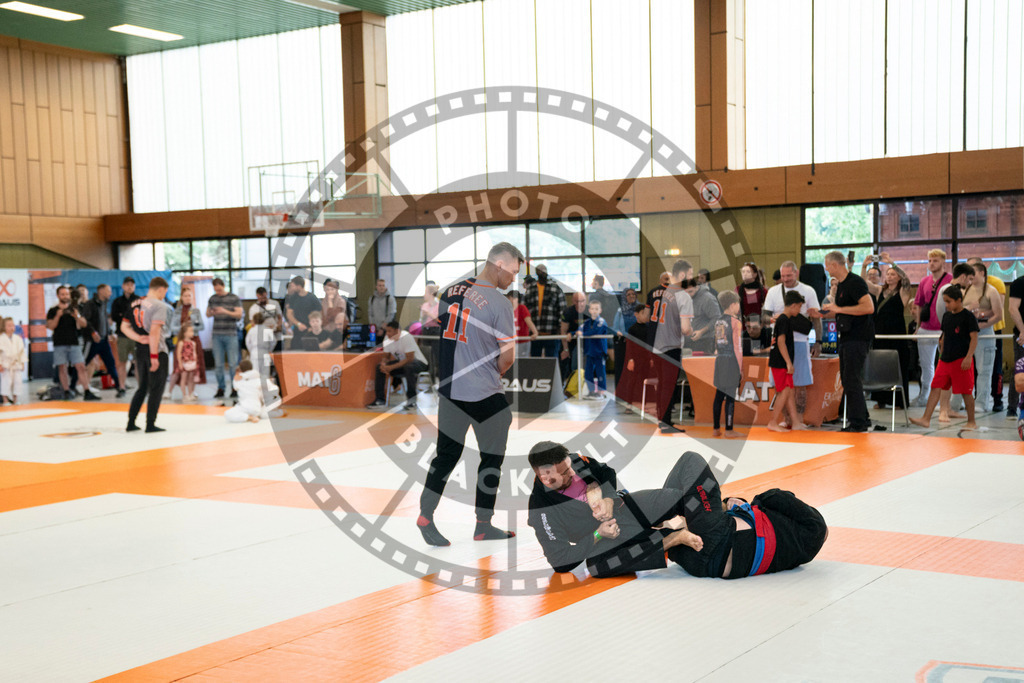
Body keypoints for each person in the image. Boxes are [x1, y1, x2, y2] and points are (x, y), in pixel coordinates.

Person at [527, 443, 828, 580]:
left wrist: (605, 498)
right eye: (554, 477)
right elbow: (560, 562)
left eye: (567, 470)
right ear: (540, 476)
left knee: (688, 464)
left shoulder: (576, 462)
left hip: (634, 509)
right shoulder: (541, 509)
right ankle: (677, 533)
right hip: (617, 537)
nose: (566, 478)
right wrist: (596, 532)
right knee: (597, 566)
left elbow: (606, 474)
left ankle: (688, 522)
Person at [418, 242, 523, 547]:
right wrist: (494, 373)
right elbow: (507, 357)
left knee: (446, 456)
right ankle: (482, 524)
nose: (513, 279)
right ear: (500, 265)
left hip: (451, 391)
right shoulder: (500, 303)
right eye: (513, 272)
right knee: (491, 458)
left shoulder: (448, 292)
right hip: (482, 391)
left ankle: (425, 515)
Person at [821, 251, 875, 432]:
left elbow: (868, 307)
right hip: (846, 336)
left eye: (827, 265)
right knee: (848, 379)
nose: (826, 268)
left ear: (835, 265)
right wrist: (822, 313)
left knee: (852, 379)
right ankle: (863, 418)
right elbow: (842, 310)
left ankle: (857, 422)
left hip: (858, 337)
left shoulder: (855, 282)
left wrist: (839, 308)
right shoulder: (842, 285)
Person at [911, 285, 979, 430]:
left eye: (948, 302)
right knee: (935, 387)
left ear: (958, 300)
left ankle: (971, 421)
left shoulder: (968, 317)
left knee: (966, 391)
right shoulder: (947, 316)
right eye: (944, 302)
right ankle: (926, 418)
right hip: (945, 359)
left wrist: (968, 357)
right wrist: (941, 349)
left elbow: (974, 338)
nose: (946, 305)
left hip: (961, 360)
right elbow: (945, 335)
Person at [763, 262, 823, 411]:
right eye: (783, 276)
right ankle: (786, 419)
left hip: (800, 341)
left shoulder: (808, 291)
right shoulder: (773, 291)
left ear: (796, 273)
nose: (785, 279)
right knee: (781, 385)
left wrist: (818, 341)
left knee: (800, 383)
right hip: (778, 341)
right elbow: (764, 317)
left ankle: (799, 418)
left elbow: (816, 318)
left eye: (789, 275)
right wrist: (773, 319)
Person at [122, 277, 172, 433]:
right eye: (165, 292)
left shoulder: (134, 303)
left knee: (142, 387)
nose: (164, 295)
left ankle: (131, 422)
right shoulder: (159, 306)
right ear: (161, 289)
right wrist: (154, 356)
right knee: (157, 388)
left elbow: (124, 327)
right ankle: (150, 423)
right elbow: (155, 332)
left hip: (140, 349)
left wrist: (138, 338)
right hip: (155, 349)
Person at [652, 260, 694, 433]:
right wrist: (692, 331)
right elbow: (685, 328)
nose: (692, 279)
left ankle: (663, 420)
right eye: (691, 275)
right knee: (668, 386)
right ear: (683, 275)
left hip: (659, 345)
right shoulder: (683, 296)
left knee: (662, 385)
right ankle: (666, 422)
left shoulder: (666, 292)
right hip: (671, 346)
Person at [868, 254, 913, 409]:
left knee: (897, 367)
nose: (889, 276)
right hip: (880, 335)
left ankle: (899, 401)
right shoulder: (880, 290)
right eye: (887, 273)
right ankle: (881, 400)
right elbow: (863, 283)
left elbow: (907, 280)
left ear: (898, 277)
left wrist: (892, 263)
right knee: (880, 367)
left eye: (893, 274)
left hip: (896, 335)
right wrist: (863, 266)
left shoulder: (903, 292)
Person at [932, 264, 975, 422]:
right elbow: (948, 312)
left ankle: (947, 408)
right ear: (963, 276)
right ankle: (943, 409)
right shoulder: (949, 290)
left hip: (953, 336)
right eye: (969, 279)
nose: (970, 283)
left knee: (950, 378)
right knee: (944, 377)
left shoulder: (950, 289)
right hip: (948, 336)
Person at [966, 257, 1007, 412]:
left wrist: (982, 320)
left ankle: (984, 401)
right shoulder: (965, 289)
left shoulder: (992, 289)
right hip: (968, 333)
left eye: (972, 271)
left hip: (985, 331)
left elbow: (998, 314)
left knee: (985, 369)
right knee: (966, 368)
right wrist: (970, 309)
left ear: (981, 272)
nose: (969, 275)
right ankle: (959, 401)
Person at [912, 249, 952, 407]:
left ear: (943, 262)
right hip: (926, 328)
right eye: (929, 260)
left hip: (944, 328)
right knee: (926, 365)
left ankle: (948, 400)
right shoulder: (924, 281)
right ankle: (925, 396)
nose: (931, 263)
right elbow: (919, 305)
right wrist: (917, 327)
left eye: (935, 260)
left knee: (948, 364)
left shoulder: (950, 280)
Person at [767, 291, 811, 433]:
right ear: (793, 305)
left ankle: (796, 422)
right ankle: (772, 422)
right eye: (799, 307)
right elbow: (781, 342)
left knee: (790, 392)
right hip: (780, 362)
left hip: (782, 361)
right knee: (784, 392)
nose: (799, 311)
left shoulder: (784, 319)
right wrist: (788, 363)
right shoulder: (784, 320)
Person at [46, 285, 100, 401]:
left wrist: (77, 316)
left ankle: (86, 390)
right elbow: (50, 326)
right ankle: (66, 391)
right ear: (58, 296)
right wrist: (58, 316)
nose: (65, 296)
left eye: (67, 294)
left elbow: (84, 324)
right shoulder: (53, 310)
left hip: (74, 342)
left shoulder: (75, 309)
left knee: (80, 366)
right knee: (62, 367)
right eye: (62, 294)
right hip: (59, 342)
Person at [370, 320, 430, 410]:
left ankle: (412, 401)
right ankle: (380, 400)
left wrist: (391, 367)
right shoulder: (387, 338)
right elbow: (386, 356)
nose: (387, 333)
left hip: (419, 363)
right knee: (379, 367)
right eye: (387, 331)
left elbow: (410, 359)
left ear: (397, 331)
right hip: (403, 364)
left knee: (408, 367)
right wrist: (384, 364)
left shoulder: (406, 337)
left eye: (389, 331)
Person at [712, 291, 743, 437]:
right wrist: (740, 367)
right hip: (731, 361)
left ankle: (716, 428)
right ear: (732, 305)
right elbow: (738, 347)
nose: (739, 307)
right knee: (730, 396)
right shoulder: (735, 322)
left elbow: (716, 344)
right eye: (738, 304)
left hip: (720, 360)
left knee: (719, 395)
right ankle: (729, 429)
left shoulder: (718, 321)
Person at [80, 283, 120, 395]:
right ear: (101, 291)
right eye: (108, 291)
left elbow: (104, 321)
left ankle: (119, 386)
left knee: (110, 363)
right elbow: (86, 321)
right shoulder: (90, 304)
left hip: (103, 340)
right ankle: (75, 385)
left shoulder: (103, 303)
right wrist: (93, 332)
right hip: (92, 340)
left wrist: (110, 332)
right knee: (83, 363)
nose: (110, 293)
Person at [207, 278, 243, 399]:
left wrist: (225, 311)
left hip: (231, 334)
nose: (218, 291)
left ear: (223, 286)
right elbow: (207, 314)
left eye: (219, 289)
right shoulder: (213, 298)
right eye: (215, 290)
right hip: (217, 334)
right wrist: (212, 312)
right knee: (218, 364)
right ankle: (221, 388)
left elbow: (239, 314)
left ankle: (235, 388)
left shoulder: (234, 298)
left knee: (233, 363)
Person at [167, 287, 205, 400]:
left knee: (193, 368)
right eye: (185, 296)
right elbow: (172, 327)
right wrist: (183, 328)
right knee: (178, 367)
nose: (187, 298)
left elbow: (202, 326)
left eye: (189, 295)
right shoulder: (177, 311)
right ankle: (169, 391)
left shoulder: (196, 311)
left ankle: (191, 392)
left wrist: (191, 327)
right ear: (181, 297)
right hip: (181, 342)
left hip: (194, 341)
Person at [523, 264, 566, 359]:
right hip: (535, 333)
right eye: (540, 271)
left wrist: (560, 328)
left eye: (544, 271)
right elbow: (525, 310)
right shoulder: (530, 289)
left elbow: (562, 310)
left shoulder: (555, 288)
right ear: (537, 273)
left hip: (552, 332)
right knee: (535, 362)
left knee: (552, 361)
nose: (542, 273)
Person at [615, 304, 652, 408]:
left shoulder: (649, 328)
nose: (645, 316)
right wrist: (630, 359)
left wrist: (651, 358)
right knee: (632, 381)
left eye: (646, 313)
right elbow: (630, 346)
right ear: (636, 314)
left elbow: (649, 344)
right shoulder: (632, 329)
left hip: (646, 358)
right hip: (636, 359)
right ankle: (629, 404)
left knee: (645, 381)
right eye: (643, 313)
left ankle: (645, 403)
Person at [225, 359, 283, 423]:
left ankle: (249, 417)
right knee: (264, 415)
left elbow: (237, 381)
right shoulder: (258, 379)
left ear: (240, 370)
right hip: (260, 405)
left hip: (263, 402)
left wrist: (239, 374)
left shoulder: (239, 381)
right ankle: (280, 412)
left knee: (228, 414)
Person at [110, 276, 139, 398]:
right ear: (123, 286)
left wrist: (125, 316)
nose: (129, 287)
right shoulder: (117, 301)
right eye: (127, 284)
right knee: (122, 362)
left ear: (134, 287)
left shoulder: (138, 300)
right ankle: (122, 387)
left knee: (138, 362)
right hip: (122, 335)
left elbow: (139, 317)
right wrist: (126, 317)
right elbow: (115, 317)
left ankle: (141, 387)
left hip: (136, 335)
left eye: (132, 285)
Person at [580, 300, 613, 399]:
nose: (594, 311)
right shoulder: (587, 322)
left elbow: (595, 331)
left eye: (596, 309)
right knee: (588, 373)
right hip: (590, 352)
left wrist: (582, 334)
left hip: (599, 352)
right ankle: (591, 391)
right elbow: (580, 330)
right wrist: (573, 333)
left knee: (600, 372)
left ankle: (601, 392)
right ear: (589, 310)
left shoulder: (602, 321)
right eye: (592, 309)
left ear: (600, 310)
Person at [687, 275, 722, 355]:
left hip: (704, 341)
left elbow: (717, 319)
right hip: (687, 341)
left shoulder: (708, 298)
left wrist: (701, 332)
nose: (688, 295)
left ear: (697, 287)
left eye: (690, 292)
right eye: (685, 292)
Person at [559, 292, 589, 383]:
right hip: (570, 340)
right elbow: (563, 331)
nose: (580, 304)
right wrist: (566, 349)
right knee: (565, 361)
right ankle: (563, 386)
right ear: (573, 301)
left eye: (582, 301)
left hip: (586, 341)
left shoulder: (590, 310)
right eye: (577, 301)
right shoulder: (568, 312)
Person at [611, 288, 638, 385]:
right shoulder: (619, 310)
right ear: (624, 297)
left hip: (636, 343)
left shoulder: (640, 308)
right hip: (623, 343)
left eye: (633, 294)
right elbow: (614, 328)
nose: (632, 296)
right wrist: (619, 332)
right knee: (621, 368)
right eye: (629, 294)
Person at [1007, 272, 1024, 419]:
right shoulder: (1019, 283)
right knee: (1019, 370)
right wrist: (1023, 330)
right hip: (1022, 335)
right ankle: (1012, 407)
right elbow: (1012, 309)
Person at [0, 317, 27, 404]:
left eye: (12, 325)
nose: (11, 327)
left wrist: (22, 363)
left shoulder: (18, 339)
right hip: (6, 364)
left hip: (16, 364)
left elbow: (21, 352)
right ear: (4, 327)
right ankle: (5, 400)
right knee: (6, 382)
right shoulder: (1, 338)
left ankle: (16, 399)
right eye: (9, 325)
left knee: (17, 382)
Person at [249, 286, 284, 353]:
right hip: (263, 338)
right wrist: (265, 329)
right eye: (260, 298)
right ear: (257, 296)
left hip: (276, 335)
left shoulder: (274, 303)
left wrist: (277, 326)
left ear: (266, 294)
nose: (263, 300)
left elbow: (280, 317)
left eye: (264, 297)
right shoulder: (254, 308)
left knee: (278, 357)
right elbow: (253, 324)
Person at [245, 312, 277, 380]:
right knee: (265, 374)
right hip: (265, 352)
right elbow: (273, 342)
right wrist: (269, 350)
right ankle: (265, 389)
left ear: (254, 320)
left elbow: (248, 342)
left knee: (255, 374)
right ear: (263, 320)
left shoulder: (251, 330)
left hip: (254, 353)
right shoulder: (268, 330)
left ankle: (256, 389)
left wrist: (251, 350)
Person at [506, 290, 538, 354]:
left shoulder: (522, 308)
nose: (508, 300)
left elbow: (529, 321)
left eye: (509, 298)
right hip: (510, 342)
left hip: (522, 341)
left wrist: (535, 332)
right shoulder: (506, 310)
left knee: (523, 361)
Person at [174, 324, 199, 402]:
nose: (192, 333)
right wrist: (180, 363)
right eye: (190, 331)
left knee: (191, 379)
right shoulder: (181, 343)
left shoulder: (193, 343)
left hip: (191, 363)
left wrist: (195, 361)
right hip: (184, 363)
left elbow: (194, 353)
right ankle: (184, 395)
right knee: (184, 379)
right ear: (185, 333)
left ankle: (191, 393)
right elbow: (178, 354)